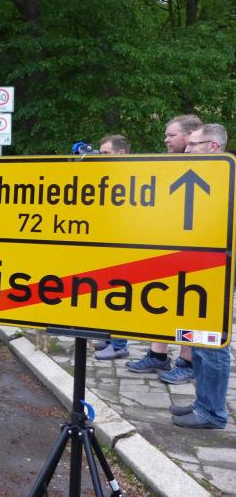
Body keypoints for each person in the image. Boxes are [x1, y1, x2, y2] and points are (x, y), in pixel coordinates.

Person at [126, 117, 203, 383]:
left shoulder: (211, 165)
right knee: (160, 301)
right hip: (164, 245)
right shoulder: (169, 163)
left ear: (190, 135)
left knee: (189, 306)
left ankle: (187, 361)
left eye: (171, 135)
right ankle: (157, 356)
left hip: (194, 250)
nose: (166, 140)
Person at [170, 123, 231, 429]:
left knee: (213, 343)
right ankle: (202, 403)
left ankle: (213, 413)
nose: (187, 148)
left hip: (217, 273)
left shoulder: (227, 176)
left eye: (194, 144)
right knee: (198, 342)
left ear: (213, 147)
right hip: (197, 270)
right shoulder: (206, 174)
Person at [92, 135, 131, 360]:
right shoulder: (110, 174)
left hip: (123, 246)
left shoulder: (130, 176)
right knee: (107, 293)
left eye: (105, 153)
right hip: (108, 245)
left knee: (118, 294)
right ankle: (109, 338)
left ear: (121, 153)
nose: (101, 157)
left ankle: (119, 346)